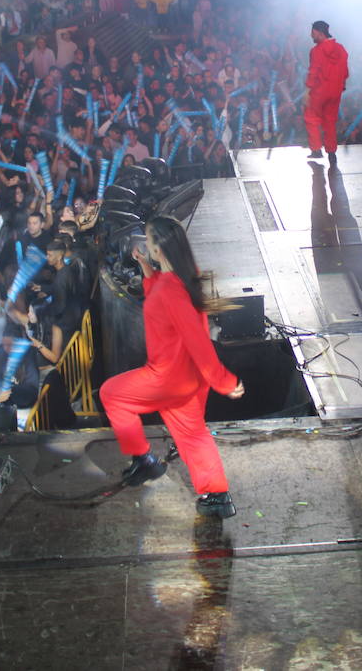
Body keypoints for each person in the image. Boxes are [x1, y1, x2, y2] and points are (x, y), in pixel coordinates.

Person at [99, 216, 246, 518]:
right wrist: (146, 268)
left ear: (161, 248)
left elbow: (198, 342)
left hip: (167, 377)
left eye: (150, 241)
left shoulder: (171, 290)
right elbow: (163, 296)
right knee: (192, 435)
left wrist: (225, 382)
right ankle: (217, 496)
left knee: (112, 394)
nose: (146, 244)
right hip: (187, 380)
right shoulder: (179, 277)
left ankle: (144, 460)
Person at [303, 21, 349, 165]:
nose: (311, 35)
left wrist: (307, 90)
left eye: (313, 32)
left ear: (320, 33)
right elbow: (345, 70)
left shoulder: (316, 51)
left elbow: (314, 71)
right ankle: (331, 152)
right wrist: (342, 85)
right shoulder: (341, 49)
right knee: (330, 121)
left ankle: (316, 150)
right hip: (335, 91)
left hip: (319, 91)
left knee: (311, 117)